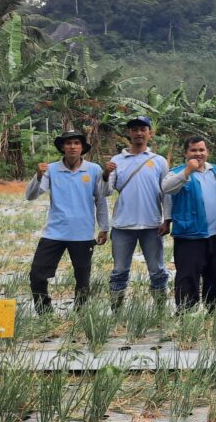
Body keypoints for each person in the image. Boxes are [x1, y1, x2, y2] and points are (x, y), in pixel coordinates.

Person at [26, 130, 110, 314]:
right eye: (68, 143)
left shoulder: (94, 169)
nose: (72, 146)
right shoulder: (51, 170)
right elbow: (31, 195)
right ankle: (45, 312)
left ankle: (80, 312)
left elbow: (101, 200)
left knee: (82, 277)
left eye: (76, 143)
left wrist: (104, 228)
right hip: (54, 232)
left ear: (82, 147)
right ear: (62, 147)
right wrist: (38, 176)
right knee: (37, 275)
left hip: (83, 234)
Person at [162, 136, 216, 311]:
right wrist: (187, 171)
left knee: (215, 273)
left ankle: (212, 308)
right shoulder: (176, 173)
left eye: (202, 150)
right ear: (186, 153)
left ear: (207, 152)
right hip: (189, 234)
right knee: (188, 276)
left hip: (215, 233)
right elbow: (167, 189)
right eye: (193, 150)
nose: (198, 154)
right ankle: (187, 311)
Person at [103, 116, 169, 309]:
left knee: (157, 270)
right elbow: (106, 191)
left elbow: (166, 194)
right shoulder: (116, 160)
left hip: (152, 225)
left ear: (150, 133)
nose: (139, 133)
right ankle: (116, 310)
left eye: (143, 129)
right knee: (119, 271)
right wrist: (105, 174)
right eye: (134, 130)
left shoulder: (159, 161)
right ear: (128, 134)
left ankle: (160, 309)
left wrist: (168, 220)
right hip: (122, 225)